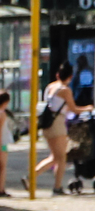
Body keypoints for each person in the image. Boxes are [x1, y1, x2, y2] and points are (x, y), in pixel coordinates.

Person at [33, 64, 78, 198]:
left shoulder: (50, 87)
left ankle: (31, 177)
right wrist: (88, 108)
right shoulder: (65, 90)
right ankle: (57, 187)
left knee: (55, 156)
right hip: (57, 124)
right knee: (61, 157)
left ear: (58, 75)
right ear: (70, 76)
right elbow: (73, 108)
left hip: (47, 123)